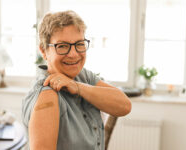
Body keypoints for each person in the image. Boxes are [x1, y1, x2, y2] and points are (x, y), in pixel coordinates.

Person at [22, 10, 131, 150]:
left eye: (79, 44)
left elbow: (124, 105)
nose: (73, 54)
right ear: (44, 50)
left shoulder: (82, 76)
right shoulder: (47, 95)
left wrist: (77, 86)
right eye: (62, 46)